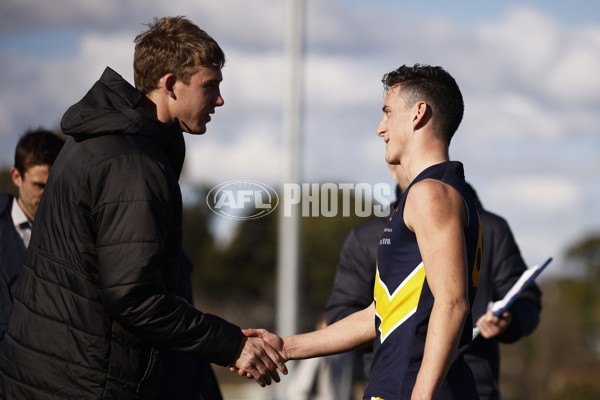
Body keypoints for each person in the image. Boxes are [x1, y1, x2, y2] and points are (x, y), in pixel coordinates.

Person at [0, 16, 286, 400]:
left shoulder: (95, 142)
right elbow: (133, 295)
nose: (219, 99)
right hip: (84, 384)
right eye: (209, 86)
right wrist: (233, 344)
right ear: (170, 84)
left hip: (48, 376)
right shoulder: (131, 163)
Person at [239, 64, 482, 400]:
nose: (381, 128)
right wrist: (287, 346)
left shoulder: (431, 194)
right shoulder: (427, 194)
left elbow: (453, 303)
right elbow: (380, 313)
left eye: (388, 112)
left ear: (418, 114)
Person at [324, 169, 542, 399]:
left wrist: (507, 321)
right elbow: (341, 313)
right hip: (390, 387)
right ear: (392, 168)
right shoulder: (368, 237)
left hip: (473, 387)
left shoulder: (490, 229)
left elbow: (526, 301)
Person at [0, 128, 64, 340]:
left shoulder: (73, 231)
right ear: (17, 177)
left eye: (54, 185)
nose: (47, 195)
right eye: (39, 186)